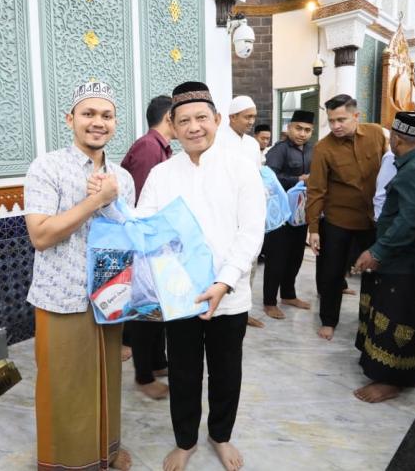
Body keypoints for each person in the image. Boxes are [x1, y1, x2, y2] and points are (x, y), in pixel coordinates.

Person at [136, 81, 265, 471]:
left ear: (217, 120)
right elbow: (147, 228)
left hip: (230, 294)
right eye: (184, 121)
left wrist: (224, 282)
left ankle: (220, 435)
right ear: (173, 127)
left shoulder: (242, 169)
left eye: (201, 118)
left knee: (226, 371)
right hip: (182, 297)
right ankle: (186, 440)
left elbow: (251, 233)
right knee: (184, 372)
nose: (194, 128)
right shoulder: (161, 174)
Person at [25, 81, 135, 471]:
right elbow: (40, 235)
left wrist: (112, 202)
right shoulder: (47, 167)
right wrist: (95, 201)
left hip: (109, 296)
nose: (97, 122)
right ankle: (66, 464)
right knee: (65, 387)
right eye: (88, 114)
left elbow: (126, 235)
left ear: (115, 122)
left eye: (106, 115)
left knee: (108, 379)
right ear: (70, 119)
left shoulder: (122, 177)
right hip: (62, 296)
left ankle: (106, 451)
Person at [352, 110, 415, 403]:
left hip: (409, 261)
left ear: (396, 139)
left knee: (400, 317)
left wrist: (377, 251)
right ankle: (411, 374)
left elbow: (409, 221)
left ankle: (391, 381)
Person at [307, 94, 387, 340]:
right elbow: (316, 190)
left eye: (341, 120)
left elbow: (389, 168)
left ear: (356, 116)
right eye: (331, 121)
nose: (335, 126)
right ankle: (328, 320)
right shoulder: (323, 148)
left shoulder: (376, 134)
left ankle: (369, 321)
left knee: (373, 274)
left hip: (373, 220)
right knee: (332, 274)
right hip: (338, 221)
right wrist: (313, 229)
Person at [120, 95, 174, 400]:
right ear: (168, 118)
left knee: (157, 310)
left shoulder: (160, 148)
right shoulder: (148, 148)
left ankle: (156, 362)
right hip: (145, 243)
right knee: (145, 311)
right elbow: (141, 203)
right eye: (181, 118)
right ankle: (143, 375)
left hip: (157, 241)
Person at [262, 110, 315, 319]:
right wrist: (298, 179)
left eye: (307, 130)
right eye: (298, 128)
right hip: (281, 216)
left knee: (295, 256)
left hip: (300, 214)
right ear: (289, 128)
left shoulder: (312, 150)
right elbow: (269, 178)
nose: (302, 133)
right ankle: (269, 302)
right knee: (276, 259)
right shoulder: (279, 150)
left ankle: (288, 295)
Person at [219, 95, 266, 328]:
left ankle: (243, 310)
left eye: (253, 117)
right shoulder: (218, 140)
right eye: (247, 116)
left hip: (248, 210)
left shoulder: (251, 144)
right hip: (225, 210)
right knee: (227, 258)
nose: (251, 121)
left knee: (250, 259)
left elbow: (257, 176)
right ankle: (223, 307)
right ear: (232, 117)